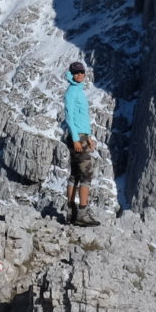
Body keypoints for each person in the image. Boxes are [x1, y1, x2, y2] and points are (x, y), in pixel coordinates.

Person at [63, 60, 95, 224]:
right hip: (77, 137)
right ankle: (82, 214)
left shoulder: (78, 90)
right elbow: (69, 118)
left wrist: (88, 137)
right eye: (76, 73)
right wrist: (76, 139)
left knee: (75, 174)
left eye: (82, 72)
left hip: (82, 136)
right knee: (87, 174)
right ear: (71, 74)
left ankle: (71, 212)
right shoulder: (71, 92)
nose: (80, 75)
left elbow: (82, 117)